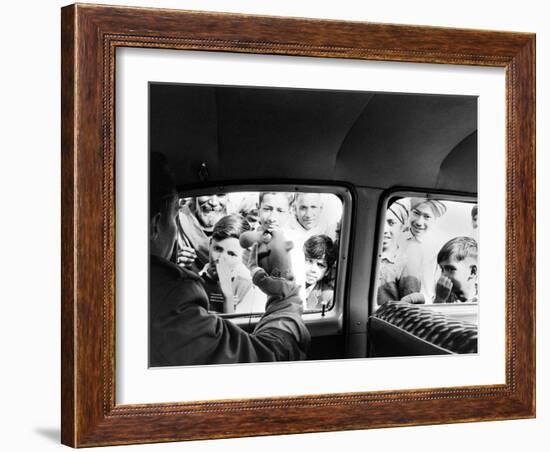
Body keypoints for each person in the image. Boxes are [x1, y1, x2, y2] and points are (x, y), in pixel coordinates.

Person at [149, 154, 310, 366]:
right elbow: (267, 361)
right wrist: (284, 297)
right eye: (173, 217)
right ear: (156, 224)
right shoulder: (171, 297)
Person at [198, 214, 254, 313]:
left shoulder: (246, 286)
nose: (221, 259)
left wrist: (228, 295)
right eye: (218, 249)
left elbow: (235, 327)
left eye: (232, 254)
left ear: (243, 255)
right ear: (210, 244)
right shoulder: (196, 280)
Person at [400, 198, 447, 303]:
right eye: (416, 213)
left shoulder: (440, 247)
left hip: (427, 308)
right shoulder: (397, 239)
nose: (419, 222)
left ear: (435, 219)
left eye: (427, 217)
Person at [376, 199, 421, 305]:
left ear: (402, 227)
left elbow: (410, 310)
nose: (385, 229)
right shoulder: (363, 257)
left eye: (391, 223)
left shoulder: (406, 264)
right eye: (380, 221)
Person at [175, 194, 228, 274]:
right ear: (195, 195)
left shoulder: (233, 224)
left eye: (221, 195)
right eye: (207, 194)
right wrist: (174, 262)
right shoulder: (177, 221)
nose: (213, 202)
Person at [434, 236, 478, 303]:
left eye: (450, 269)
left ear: (472, 272)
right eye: (442, 269)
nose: (443, 275)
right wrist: (439, 300)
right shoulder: (446, 298)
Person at [303, 235, 337, 310]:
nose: (313, 269)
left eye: (320, 265)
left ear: (327, 271)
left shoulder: (329, 296)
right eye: (309, 261)